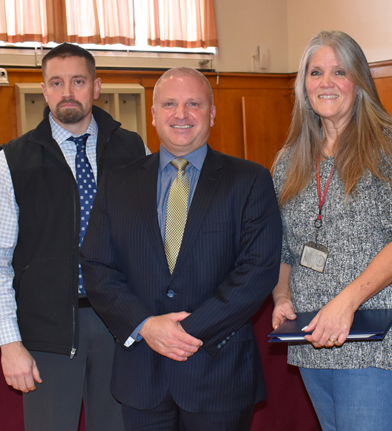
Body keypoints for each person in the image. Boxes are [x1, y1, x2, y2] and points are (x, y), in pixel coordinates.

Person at [80, 67, 282, 431]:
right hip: (141, 374)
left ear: (212, 113)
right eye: (170, 104)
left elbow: (258, 269)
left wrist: (188, 332)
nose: (181, 114)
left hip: (218, 372)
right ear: (153, 114)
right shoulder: (117, 183)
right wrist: (145, 326)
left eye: (194, 104)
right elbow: (96, 266)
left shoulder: (250, 180)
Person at [0, 43, 148, 431]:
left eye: (78, 81)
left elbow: (152, 237)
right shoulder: (13, 160)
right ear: (44, 90)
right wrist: (9, 343)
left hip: (120, 324)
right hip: (46, 331)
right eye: (56, 82)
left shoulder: (133, 149)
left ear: (96, 86)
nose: (67, 91)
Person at [270, 30, 392, 431]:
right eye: (316, 72)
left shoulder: (391, 143)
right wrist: (281, 297)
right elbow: (283, 248)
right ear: (303, 84)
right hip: (313, 336)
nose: (326, 82)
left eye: (338, 71)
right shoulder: (289, 160)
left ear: (358, 82)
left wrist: (347, 302)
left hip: (378, 334)